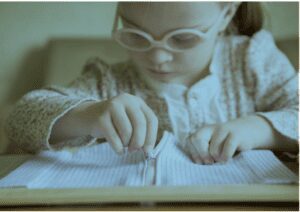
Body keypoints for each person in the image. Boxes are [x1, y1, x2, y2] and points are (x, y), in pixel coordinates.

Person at [5, 2, 298, 165]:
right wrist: (86, 115)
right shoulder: (108, 81)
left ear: (227, 13)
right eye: (136, 35)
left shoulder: (253, 60)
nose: (157, 57)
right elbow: (20, 119)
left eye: (183, 37)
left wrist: (257, 128)